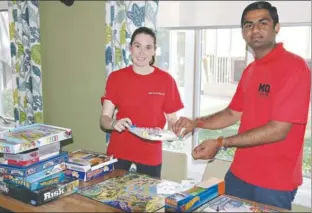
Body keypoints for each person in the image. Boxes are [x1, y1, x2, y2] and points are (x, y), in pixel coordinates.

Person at [172, 1, 311, 210]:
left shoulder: (295, 67)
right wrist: (196, 122)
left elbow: (278, 130)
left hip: (274, 183)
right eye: (248, 25)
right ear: (243, 33)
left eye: (262, 23)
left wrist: (220, 143)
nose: (254, 29)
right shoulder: (251, 70)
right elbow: (232, 113)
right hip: (239, 175)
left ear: (276, 27)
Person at [100, 27, 184, 178]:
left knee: (148, 200)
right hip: (119, 152)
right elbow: (104, 119)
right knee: (112, 197)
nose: (142, 52)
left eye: (148, 47)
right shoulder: (116, 78)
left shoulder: (166, 80)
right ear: (130, 48)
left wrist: (175, 129)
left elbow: (172, 119)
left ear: (154, 51)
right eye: (137, 46)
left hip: (150, 155)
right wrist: (113, 123)